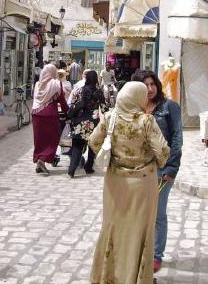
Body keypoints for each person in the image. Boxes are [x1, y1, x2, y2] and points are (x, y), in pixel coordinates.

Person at [88, 81, 169, 284]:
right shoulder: (146, 121)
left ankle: (108, 276)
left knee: (114, 227)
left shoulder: (110, 117)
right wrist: (152, 160)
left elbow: (93, 141)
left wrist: (115, 157)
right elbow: (163, 152)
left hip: (115, 183)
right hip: (142, 185)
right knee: (138, 231)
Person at [132, 69, 183, 273]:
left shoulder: (169, 107)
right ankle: (139, 251)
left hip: (162, 170)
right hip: (138, 170)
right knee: (139, 213)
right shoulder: (134, 108)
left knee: (157, 214)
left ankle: (156, 255)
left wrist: (171, 167)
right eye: (145, 85)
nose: (150, 88)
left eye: (153, 84)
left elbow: (177, 138)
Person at [31, 63, 68, 174]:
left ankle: (39, 161)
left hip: (36, 114)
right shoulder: (56, 84)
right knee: (52, 139)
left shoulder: (38, 84)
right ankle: (42, 160)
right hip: (50, 115)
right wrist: (68, 112)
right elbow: (62, 101)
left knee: (39, 139)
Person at [67, 70, 104, 178]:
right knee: (92, 146)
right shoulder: (99, 92)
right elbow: (104, 108)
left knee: (77, 146)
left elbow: (73, 104)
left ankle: (72, 169)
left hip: (80, 122)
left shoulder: (79, 90)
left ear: (87, 78)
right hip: (93, 122)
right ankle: (88, 167)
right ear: (96, 79)